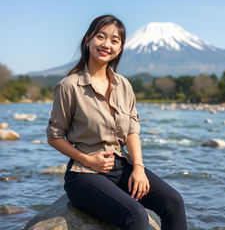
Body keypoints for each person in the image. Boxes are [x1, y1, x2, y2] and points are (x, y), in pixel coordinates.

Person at [46, 14, 187, 230]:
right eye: (100, 37)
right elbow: (54, 136)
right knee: (136, 215)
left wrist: (138, 168)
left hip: (121, 166)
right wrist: (88, 159)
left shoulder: (124, 85)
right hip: (84, 174)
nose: (106, 45)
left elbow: (132, 130)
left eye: (114, 40)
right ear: (87, 40)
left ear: (120, 48)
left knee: (173, 202)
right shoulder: (69, 86)